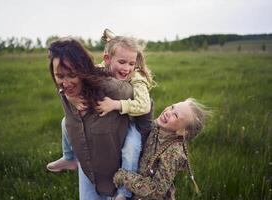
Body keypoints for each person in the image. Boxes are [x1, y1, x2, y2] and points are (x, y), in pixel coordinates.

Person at [47, 30, 155, 200]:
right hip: (104, 132)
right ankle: (68, 157)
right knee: (65, 122)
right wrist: (71, 96)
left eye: (131, 63)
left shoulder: (137, 79)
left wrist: (115, 104)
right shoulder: (100, 70)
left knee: (131, 148)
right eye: (122, 62)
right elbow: (80, 74)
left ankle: (124, 192)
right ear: (107, 60)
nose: (127, 68)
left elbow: (144, 106)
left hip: (132, 121)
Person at [113, 98, 212, 200]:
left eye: (176, 115)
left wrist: (124, 176)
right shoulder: (157, 128)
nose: (169, 112)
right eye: (172, 107)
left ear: (182, 131)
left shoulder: (173, 153)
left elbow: (156, 191)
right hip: (135, 190)